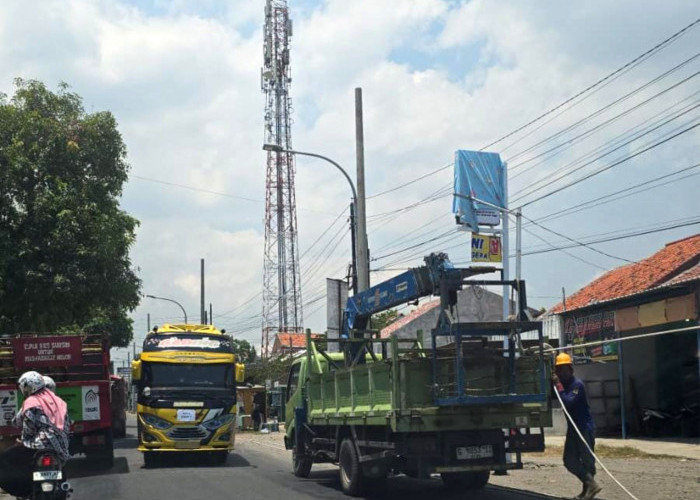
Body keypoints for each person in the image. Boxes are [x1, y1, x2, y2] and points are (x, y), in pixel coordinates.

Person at [0, 371, 70, 498]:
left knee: (6, 459)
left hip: (39, 444)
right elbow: (66, 424)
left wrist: (24, 441)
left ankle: (23, 491)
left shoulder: (32, 401)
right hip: (61, 446)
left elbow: (28, 427)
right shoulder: (59, 401)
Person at [552, 353, 602, 500]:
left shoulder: (577, 385)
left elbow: (568, 403)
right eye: (559, 370)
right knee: (569, 460)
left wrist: (558, 385)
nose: (561, 373)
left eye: (564, 370)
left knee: (587, 461)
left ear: (570, 369)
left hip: (584, 428)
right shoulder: (564, 385)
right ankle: (591, 485)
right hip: (574, 429)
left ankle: (588, 491)